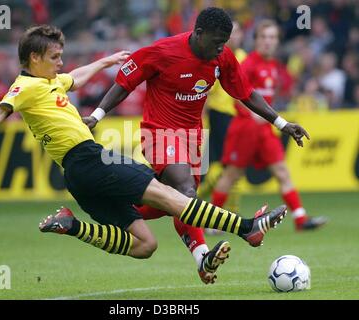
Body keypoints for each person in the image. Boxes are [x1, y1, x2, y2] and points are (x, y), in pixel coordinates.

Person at [0, 25, 288, 282]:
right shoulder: (26, 87)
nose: (61, 63)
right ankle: (247, 228)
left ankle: (71, 225)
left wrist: (105, 62)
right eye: (55, 57)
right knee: (173, 194)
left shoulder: (50, 82)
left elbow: (74, 78)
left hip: (76, 178)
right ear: (34, 58)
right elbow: (2, 108)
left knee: (145, 245)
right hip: (89, 158)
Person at [83, 8, 310, 284]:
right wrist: (96, 116)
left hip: (193, 137)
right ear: (198, 33)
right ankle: (235, 236)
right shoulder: (162, 52)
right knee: (186, 190)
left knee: (173, 203)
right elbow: (124, 82)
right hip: (160, 133)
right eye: (216, 41)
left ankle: (113, 209)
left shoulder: (221, 57)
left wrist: (282, 123)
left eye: (224, 42)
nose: (221, 48)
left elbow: (246, 92)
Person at [211, 20, 328, 231]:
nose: (268, 42)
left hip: (265, 130)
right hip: (245, 127)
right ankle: (209, 222)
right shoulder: (246, 65)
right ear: (256, 40)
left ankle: (301, 219)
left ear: (277, 41)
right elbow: (237, 96)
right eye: (263, 37)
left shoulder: (273, 66)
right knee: (231, 175)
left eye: (272, 37)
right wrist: (252, 114)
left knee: (282, 171)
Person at [198, 21, 246, 236]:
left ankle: (199, 202)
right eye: (230, 33)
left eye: (237, 32)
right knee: (226, 168)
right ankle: (221, 214)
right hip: (220, 116)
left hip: (241, 120)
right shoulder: (217, 57)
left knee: (234, 169)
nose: (234, 37)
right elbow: (206, 90)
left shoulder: (244, 58)